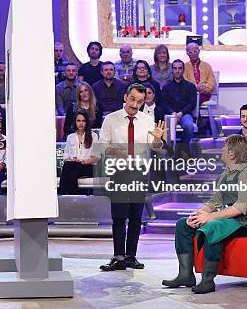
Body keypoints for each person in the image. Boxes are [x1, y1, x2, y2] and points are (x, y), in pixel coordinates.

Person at [163, 134, 247, 294]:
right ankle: (185, 275)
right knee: (183, 224)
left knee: (213, 226)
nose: (222, 150)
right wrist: (199, 213)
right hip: (231, 217)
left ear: (232, 153)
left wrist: (209, 217)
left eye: (224, 147)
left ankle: (208, 280)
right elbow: (215, 201)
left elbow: (242, 207)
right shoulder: (225, 175)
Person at [98, 83, 165, 271]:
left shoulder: (147, 121)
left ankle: (131, 256)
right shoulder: (110, 120)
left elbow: (155, 148)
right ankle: (118, 257)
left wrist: (158, 139)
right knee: (119, 217)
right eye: (133, 100)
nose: (136, 105)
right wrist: (117, 152)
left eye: (140, 102)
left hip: (140, 172)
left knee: (136, 217)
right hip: (119, 171)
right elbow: (103, 146)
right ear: (126, 97)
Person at [59, 110, 99, 195]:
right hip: (73, 166)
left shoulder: (93, 136)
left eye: (83, 121)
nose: (81, 123)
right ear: (75, 122)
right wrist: (72, 159)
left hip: (87, 167)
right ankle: (75, 197)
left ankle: (63, 194)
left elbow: (97, 157)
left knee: (70, 168)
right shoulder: (70, 137)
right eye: (78, 121)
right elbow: (65, 155)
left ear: (87, 122)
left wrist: (84, 161)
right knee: (71, 168)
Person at [162, 60, 197, 154]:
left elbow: (192, 104)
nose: (177, 71)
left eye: (180, 68)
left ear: (183, 70)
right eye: (175, 68)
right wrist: (172, 113)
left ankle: (181, 147)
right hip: (170, 114)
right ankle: (168, 152)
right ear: (172, 70)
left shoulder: (191, 86)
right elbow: (164, 103)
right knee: (165, 127)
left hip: (185, 113)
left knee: (189, 126)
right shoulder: (166, 87)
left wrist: (181, 113)